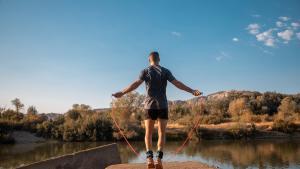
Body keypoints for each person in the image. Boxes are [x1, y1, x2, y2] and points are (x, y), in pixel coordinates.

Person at [112, 51, 201, 169]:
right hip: (163, 106)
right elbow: (177, 84)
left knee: (148, 134)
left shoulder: (145, 71)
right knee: (161, 133)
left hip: (149, 106)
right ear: (159, 59)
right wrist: (192, 91)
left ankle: (149, 159)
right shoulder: (165, 71)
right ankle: (159, 160)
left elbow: (135, 84)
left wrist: (122, 93)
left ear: (149, 60)